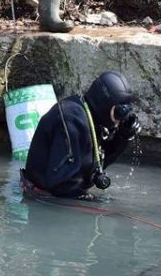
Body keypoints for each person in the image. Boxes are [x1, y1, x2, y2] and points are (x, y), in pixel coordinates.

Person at [21, 71, 141, 200]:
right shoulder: (71, 119)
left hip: (66, 193)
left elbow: (99, 163)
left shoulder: (92, 118)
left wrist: (122, 137)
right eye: (119, 112)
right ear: (104, 105)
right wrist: (95, 202)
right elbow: (61, 185)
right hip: (44, 198)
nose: (120, 120)